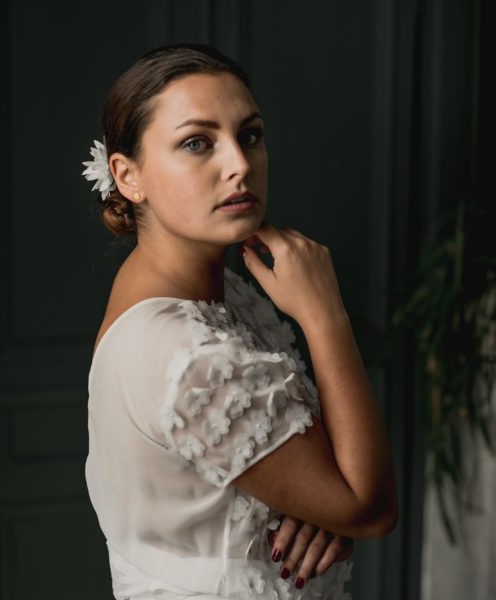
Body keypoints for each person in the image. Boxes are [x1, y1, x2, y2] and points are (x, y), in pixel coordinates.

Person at [83, 43, 398, 600]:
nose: (239, 164)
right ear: (128, 176)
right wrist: (326, 317)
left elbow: (316, 481)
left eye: (249, 135)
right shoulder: (185, 353)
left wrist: (321, 503)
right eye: (197, 143)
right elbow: (370, 509)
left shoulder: (219, 291)